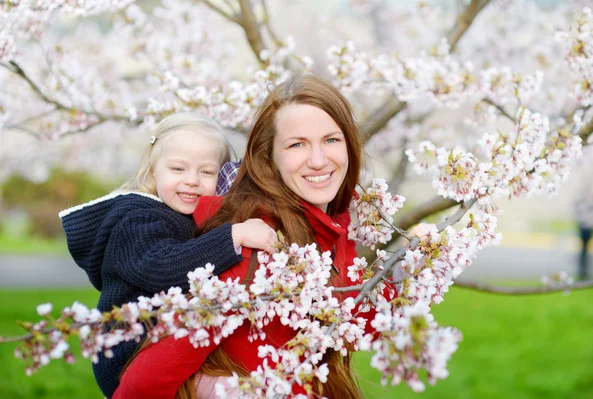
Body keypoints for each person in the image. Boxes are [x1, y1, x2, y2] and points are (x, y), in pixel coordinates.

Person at [114, 75, 391, 399]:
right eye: (296, 144)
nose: (318, 160)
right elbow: (139, 387)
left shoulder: (329, 226)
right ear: (268, 158)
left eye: (331, 140)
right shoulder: (259, 245)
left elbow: (342, 328)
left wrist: (405, 276)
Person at [59, 113, 277, 398]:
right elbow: (162, 268)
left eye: (207, 172)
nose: (192, 181)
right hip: (128, 351)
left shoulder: (180, 215)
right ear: (152, 171)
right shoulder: (136, 218)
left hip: (166, 338)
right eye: (177, 169)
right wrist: (232, 236)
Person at [573, 188, 593, 280]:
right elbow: (577, 214)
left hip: (589, 228)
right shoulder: (581, 204)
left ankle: (586, 272)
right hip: (583, 228)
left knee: (587, 251)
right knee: (583, 251)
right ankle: (582, 272)